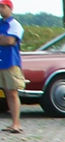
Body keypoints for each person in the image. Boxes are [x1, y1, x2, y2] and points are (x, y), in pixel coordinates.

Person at [0, 0, 23, 134]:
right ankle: (13, 122)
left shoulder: (15, 25)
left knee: (13, 92)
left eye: (3, 7)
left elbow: (10, 40)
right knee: (7, 92)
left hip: (11, 63)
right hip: (1, 62)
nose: (1, 9)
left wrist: (4, 39)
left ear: (10, 8)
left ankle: (16, 123)